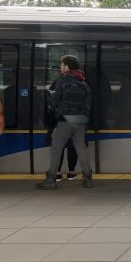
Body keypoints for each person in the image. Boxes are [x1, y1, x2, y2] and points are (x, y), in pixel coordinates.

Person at [36, 55, 93, 189]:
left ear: (67, 67)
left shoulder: (61, 81)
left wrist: (49, 95)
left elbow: (54, 102)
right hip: (80, 121)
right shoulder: (83, 83)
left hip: (65, 120)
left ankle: (50, 180)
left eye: (62, 65)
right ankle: (88, 178)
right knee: (81, 149)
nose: (61, 68)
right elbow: (89, 103)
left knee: (56, 149)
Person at [44, 79, 79, 182]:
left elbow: (50, 105)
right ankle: (71, 172)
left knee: (59, 148)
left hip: (58, 124)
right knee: (72, 148)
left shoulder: (56, 87)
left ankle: (58, 173)